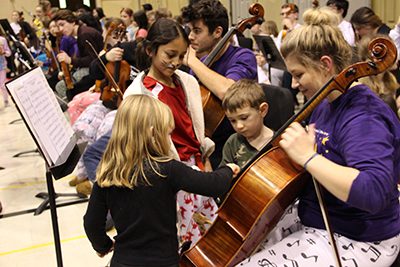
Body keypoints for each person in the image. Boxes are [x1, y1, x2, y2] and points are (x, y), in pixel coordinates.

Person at [237, 7, 400, 267]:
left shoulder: (364, 117)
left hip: (360, 237)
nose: (293, 84)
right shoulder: (325, 102)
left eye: (299, 74)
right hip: (321, 220)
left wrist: (309, 157)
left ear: (325, 65)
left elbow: (373, 191)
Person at [83, 94, 240, 267]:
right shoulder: (168, 169)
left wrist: (103, 245)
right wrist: (228, 169)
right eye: (167, 134)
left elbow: (91, 223)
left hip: (123, 262)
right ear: (152, 133)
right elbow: (213, 185)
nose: (169, 140)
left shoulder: (107, 173)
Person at [181, 0, 258, 169]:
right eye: (190, 30)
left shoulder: (243, 57)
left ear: (217, 32)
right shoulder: (201, 63)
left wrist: (193, 63)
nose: (190, 37)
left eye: (197, 31)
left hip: (236, 147)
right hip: (206, 145)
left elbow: (230, 92)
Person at [219, 79, 274, 168]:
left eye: (244, 118)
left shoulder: (277, 144)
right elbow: (223, 175)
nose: (239, 126)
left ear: (262, 110)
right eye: (232, 120)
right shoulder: (233, 143)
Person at [52, 9, 103, 101]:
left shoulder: (85, 34)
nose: (60, 29)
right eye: (58, 26)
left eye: (62, 25)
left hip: (98, 70)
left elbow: (93, 59)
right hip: (92, 68)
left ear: (73, 22)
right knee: (61, 82)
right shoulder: (81, 33)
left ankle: (73, 108)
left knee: (61, 87)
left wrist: (70, 60)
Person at [0, 34, 11, 107]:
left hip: (1, 65)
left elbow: (9, 53)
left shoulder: (2, 40)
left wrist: (3, 52)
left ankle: (6, 100)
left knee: (2, 84)